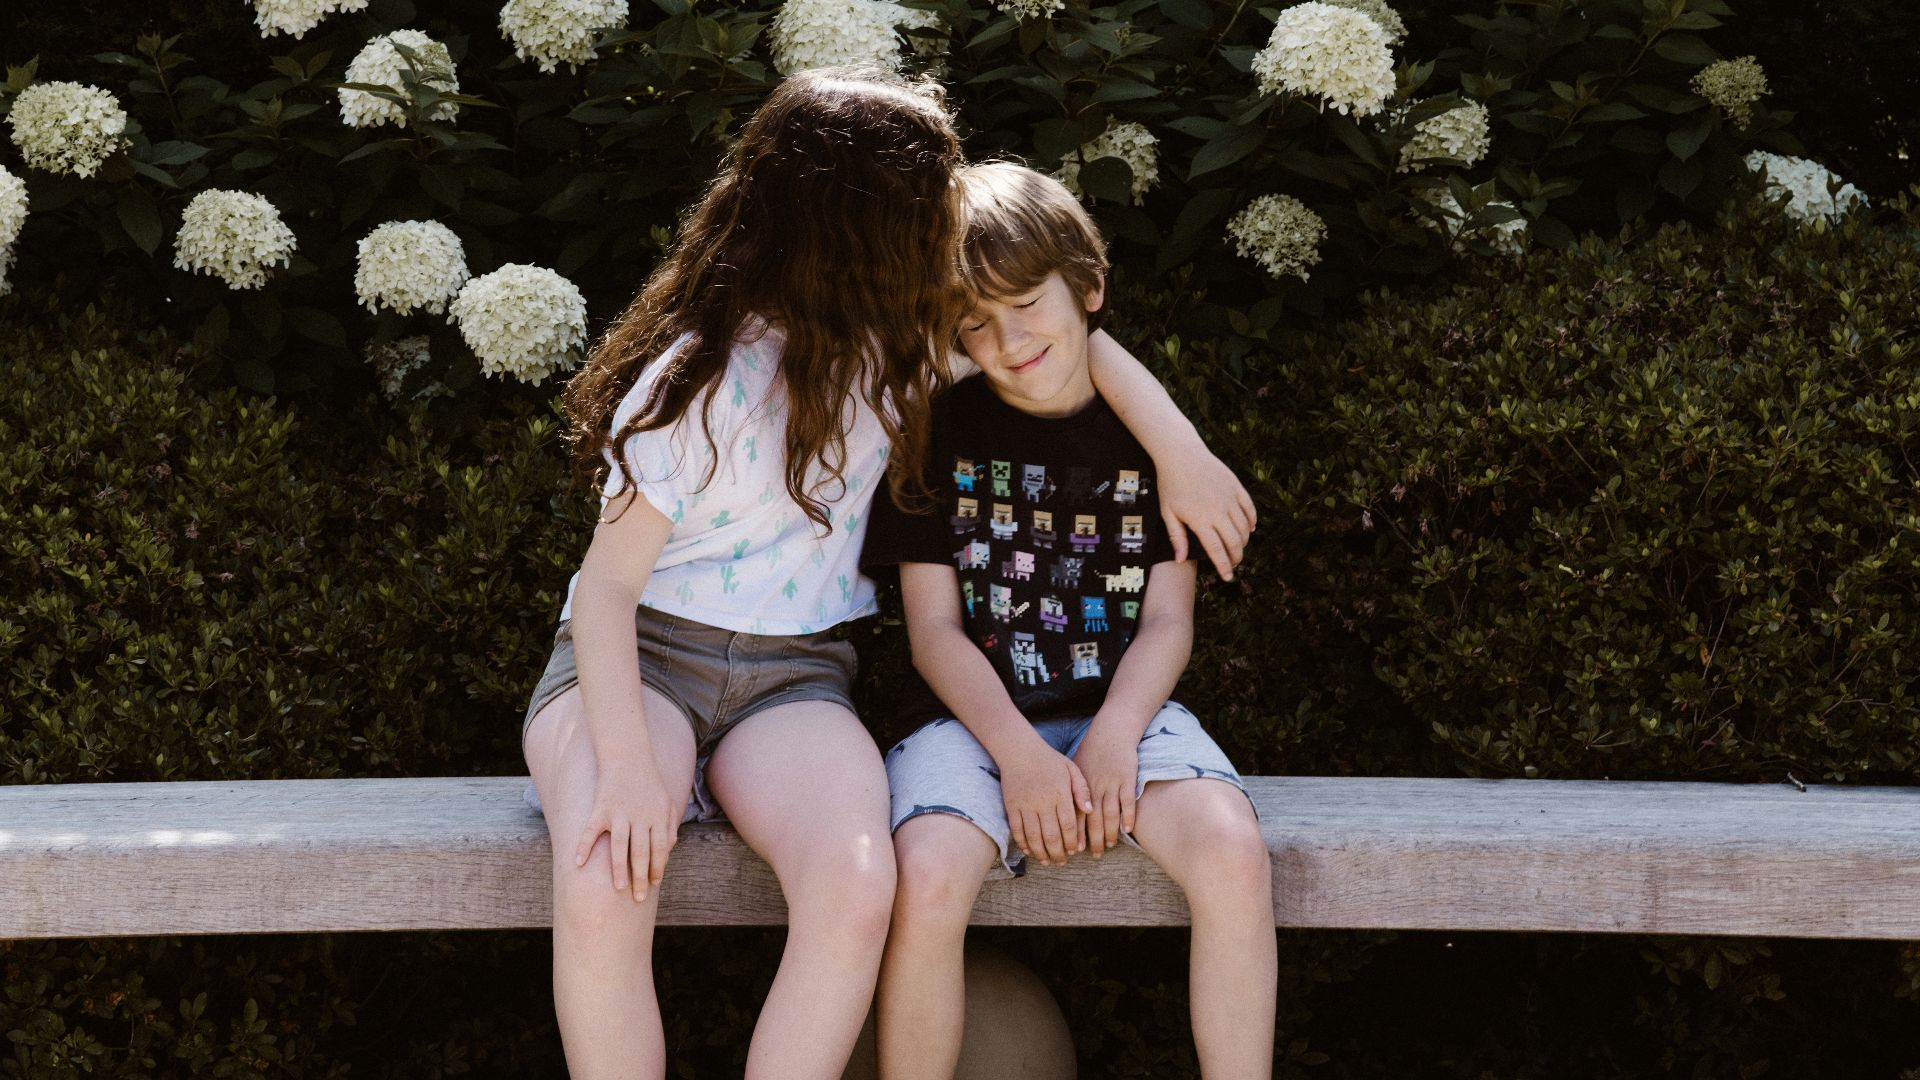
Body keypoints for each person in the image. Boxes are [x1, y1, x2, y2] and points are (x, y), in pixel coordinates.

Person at [519, 72, 1256, 1080]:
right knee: (609, 870)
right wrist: (632, 766)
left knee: (859, 882)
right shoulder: (703, 376)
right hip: (639, 663)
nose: (944, 227)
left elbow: (1076, 338)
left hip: (794, 680)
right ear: (855, 233)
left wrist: (1179, 451)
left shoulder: (896, 358)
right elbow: (603, 596)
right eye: (924, 209)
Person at [864, 162, 1278, 1080]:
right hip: (971, 725)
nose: (1008, 340)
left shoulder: (1155, 444)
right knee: (925, 874)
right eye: (974, 323)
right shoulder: (937, 434)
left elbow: (1169, 620)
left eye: (1025, 303)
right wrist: (1019, 755)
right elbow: (933, 631)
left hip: (1123, 711)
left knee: (1233, 851)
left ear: (1088, 287)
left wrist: (1117, 736)